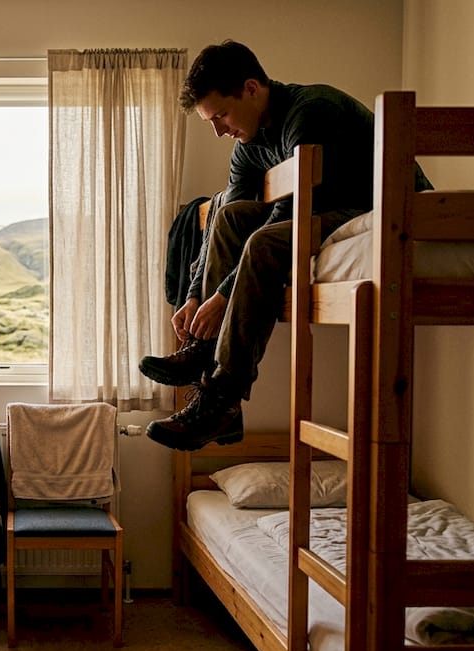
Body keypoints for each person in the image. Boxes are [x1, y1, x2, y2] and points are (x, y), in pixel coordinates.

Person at [141, 40, 432, 451]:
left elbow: (292, 212)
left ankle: (223, 396)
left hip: (379, 212)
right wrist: (193, 296)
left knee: (264, 243)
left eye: (221, 114)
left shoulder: (312, 111)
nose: (219, 129)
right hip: (323, 212)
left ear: (252, 88)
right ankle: (204, 351)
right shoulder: (249, 144)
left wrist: (223, 297)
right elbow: (228, 215)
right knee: (229, 217)